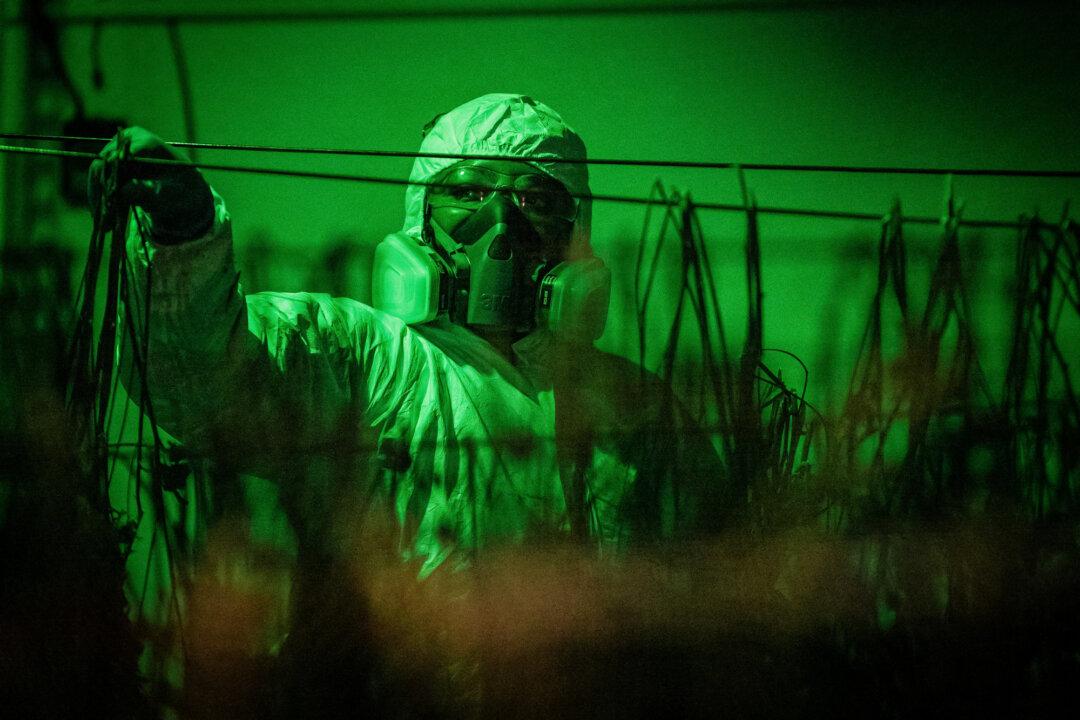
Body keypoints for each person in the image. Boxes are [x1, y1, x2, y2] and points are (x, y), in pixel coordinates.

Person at [92, 93, 728, 580]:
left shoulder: (634, 406)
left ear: (574, 228)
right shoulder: (368, 357)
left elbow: (724, 570)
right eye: (469, 191)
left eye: (536, 200)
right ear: (422, 216)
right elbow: (212, 375)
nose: (501, 223)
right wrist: (186, 233)